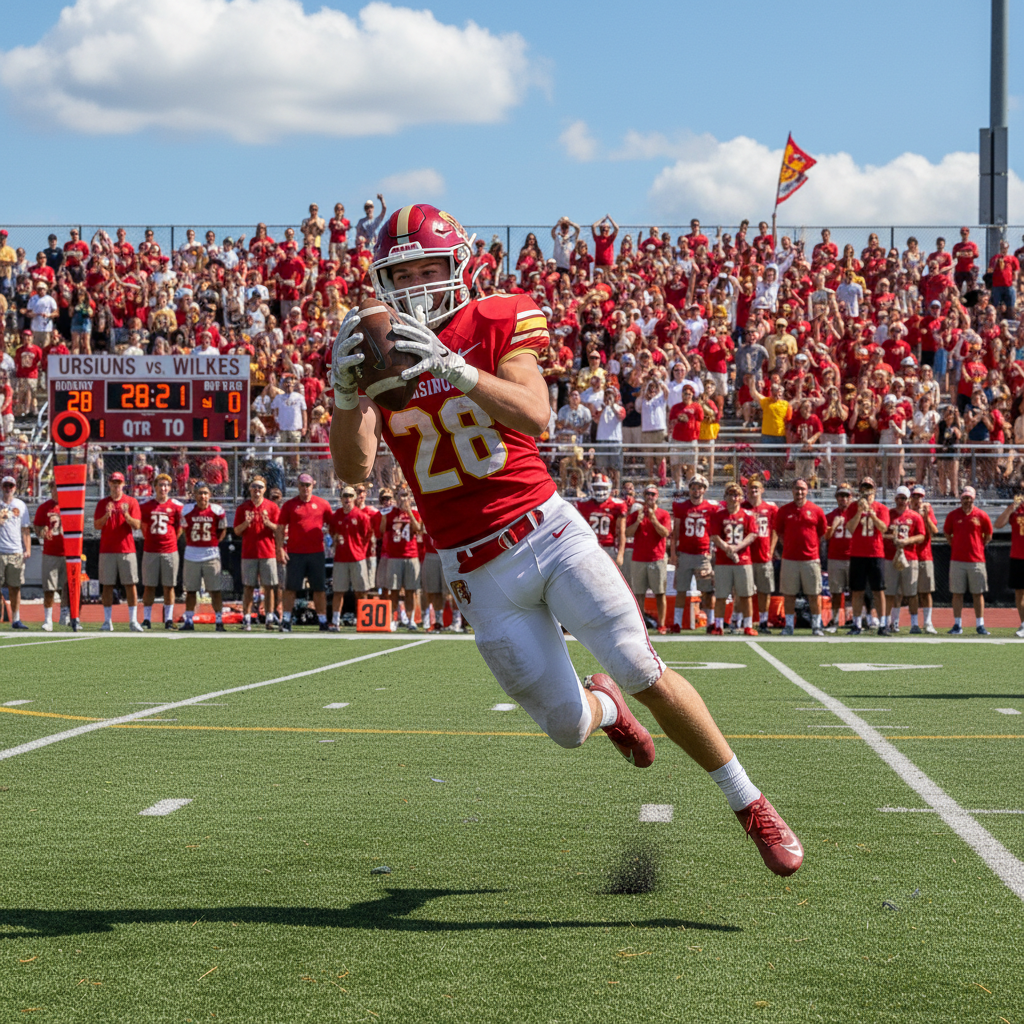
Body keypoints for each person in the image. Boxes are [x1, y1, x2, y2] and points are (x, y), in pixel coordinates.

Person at [329, 201, 803, 876]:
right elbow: (351, 469)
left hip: (548, 533)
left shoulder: (494, 318)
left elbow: (535, 413)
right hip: (474, 570)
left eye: (430, 267)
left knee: (640, 663)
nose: (418, 286)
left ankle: (749, 802)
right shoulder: (373, 347)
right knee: (567, 728)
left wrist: (453, 366)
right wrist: (347, 397)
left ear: (460, 266)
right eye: (402, 275)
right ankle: (606, 708)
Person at [276, 472, 332, 631]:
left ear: (313, 485)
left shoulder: (322, 504)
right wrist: (280, 548)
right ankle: (286, 620)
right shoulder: (289, 505)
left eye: (308, 485)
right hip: (295, 553)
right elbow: (280, 529)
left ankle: (322, 620)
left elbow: (333, 524)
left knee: (319, 588)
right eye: (302, 485)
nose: (305, 488)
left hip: (316, 553)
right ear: (298, 486)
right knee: (291, 587)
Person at [774, 479, 828, 636]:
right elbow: (779, 532)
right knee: (789, 594)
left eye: (803, 489)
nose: (799, 492)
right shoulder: (784, 511)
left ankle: (817, 626)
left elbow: (821, 532)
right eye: (797, 489)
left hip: (811, 559)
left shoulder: (816, 510)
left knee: (814, 594)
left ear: (808, 491)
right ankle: (789, 625)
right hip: (790, 559)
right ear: (792, 490)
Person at [94, 471, 143, 632]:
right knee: (107, 585)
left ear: (123, 485)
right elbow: (97, 525)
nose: (116, 486)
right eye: (114, 482)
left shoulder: (131, 502)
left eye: (119, 483)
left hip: (126, 549)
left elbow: (137, 525)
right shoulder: (103, 503)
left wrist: (126, 515)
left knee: (130, 584)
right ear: (109, 484)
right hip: (107, 549)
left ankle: (133, 620)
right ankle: (107, 621)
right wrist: (107, 516)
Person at [708, 483, 759, 637]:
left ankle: (748, 625)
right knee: (721, 596)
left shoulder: (747, 515)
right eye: (730, 494)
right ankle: (718, 625)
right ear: (725, 497)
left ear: (741, 498)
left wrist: (736, 548)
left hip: (743, 560)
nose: (733, 497)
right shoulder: (719, 515)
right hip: (724, 561)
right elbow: (715, 536)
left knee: (745, 595)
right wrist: (727, 548)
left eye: (736, 495)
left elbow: (752, 535)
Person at [843, 477, 891, 636]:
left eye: (869, 488)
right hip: (857, 553)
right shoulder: (852, 507)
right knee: (857, 591)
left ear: (874, 490)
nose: (866, 492)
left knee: (879, 590)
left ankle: (883, 624)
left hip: (875, 553)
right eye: (864, 488)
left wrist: (872, 514)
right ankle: (857, 624)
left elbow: (884, 528)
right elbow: (849, 528)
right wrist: (859, 511)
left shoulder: (881, 508)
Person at [177, 483, 227, 631]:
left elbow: (222, 530)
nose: (203, 496)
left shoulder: (217, 510)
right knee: (191, 590)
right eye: (200, 493)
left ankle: (219, 620)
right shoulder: (187, 510)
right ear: (194, 495)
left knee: (215, 590)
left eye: (205, 493)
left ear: (210, 495)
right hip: (192, 554)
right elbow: (183, 530)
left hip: (211, 554)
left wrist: (214, 543)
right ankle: (189, 620)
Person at [232, 475, 280, 631]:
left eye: (260, 487)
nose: (257, 490)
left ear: (265, 489)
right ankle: (247, 617)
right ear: (250, 489)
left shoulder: (272, 507)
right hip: (249, 552)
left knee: (269, 586)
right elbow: (236, 531)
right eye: (254, 487)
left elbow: (280, 530)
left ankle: (269, 617)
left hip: (267, 552)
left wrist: (269, 524)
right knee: (248, 586)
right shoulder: (243, 508)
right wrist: (247, 523)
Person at [943, 486, 992, 636]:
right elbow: (947, 532)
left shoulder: (981, 515)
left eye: (969, 498)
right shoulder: (953, 515)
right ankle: (957, 624)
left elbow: (988, 535)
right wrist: (956, 545)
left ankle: (980, 625)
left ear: (973, 499)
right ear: (960, 499)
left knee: (978, 593)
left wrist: (978, 546)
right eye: (964, 498)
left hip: (977, 560)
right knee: (957, 593)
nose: (966, 501)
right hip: (957, 560)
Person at [670, 475, 717, 629]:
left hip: (703, 554)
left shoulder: (711, 508)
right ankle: (677, 623)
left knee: (707, 590)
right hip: (684, 554)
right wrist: (673, 554)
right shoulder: (681, 507)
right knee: (681, 590)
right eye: (693, 487)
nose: (696, 490)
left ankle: (711, 623)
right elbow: (675, 532)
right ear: (689, 489)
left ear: (704, 490)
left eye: (699, 487)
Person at [138, 473, 183, 630]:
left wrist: (170, 541)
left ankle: (169, 619)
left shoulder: (176, 505)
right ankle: (147, 619)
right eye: (161, 485)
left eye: (166, 485)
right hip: (150, 549)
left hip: (169, 550)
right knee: (149, 586)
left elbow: (179, 529)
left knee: (169, 586)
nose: (163, 488)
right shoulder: (146, 505)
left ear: (170, 488)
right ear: (155, 487)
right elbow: (144, 527)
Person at [626, 484, 672, 634]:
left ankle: (662, 624)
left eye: (653, 494)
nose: (650, 497)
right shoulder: (637, 514)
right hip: (639, 558)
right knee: (639, 593)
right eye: (647, 494)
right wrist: (637, 522)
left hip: (657, 558)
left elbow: (665, 533)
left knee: (660, 593)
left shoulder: (663, 514)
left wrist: (653, 519)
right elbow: (627, 533)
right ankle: (640, 625)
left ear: (657, 496)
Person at [380, 486, 425, 631]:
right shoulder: (390, 513)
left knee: (411, 590)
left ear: (410, 497)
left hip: (411, 555)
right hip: (394, 556)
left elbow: (418, 529)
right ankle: (395, 619)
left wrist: (409, 512)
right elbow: (382, 531)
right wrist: (384, 515)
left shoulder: (415, 513)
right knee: (393, 590)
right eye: (400, 495)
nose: (403, 498)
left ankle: (411, 619)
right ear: (396, 497)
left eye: (405, 495)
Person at [329, 485, 373, 630]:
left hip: (357, 558)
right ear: (341, 498)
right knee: (338, 590)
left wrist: (360, 549)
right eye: (345, 496)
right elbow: (332, 533)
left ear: (354, 498)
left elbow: (367, 535)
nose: (347, 499)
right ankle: (335, 621)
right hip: (341, 558)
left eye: (350, 496)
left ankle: (363, 619)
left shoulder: (361, 516)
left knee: (361, 590)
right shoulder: (337, 515)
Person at [882, 486, 925, 634]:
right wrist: (892, 538)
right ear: (895, 499)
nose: (901, 501)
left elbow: (921, 536)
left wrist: (906, 541)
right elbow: (880, 533)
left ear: (908, 500)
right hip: (890, 557)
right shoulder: (888, 514)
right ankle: (887, 622)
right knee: (890, 593)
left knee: (911, 593)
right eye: (899, 498)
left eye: (904, 498)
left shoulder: (915, 516)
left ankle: (914, 624)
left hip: (910, 557)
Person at [742, 475, 778, 634]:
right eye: (751, 488)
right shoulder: (742, 507)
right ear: (747, 490)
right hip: (746, 556)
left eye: (757, 487)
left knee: (765, 590)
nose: (754, 490)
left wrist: (771, 550)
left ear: (762, 490)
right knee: (744, 591)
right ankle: (745, 621)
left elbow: (775, 530)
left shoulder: (770, 508)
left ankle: (763, 621)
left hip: (763, 555)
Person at [33, 479, 67, 631]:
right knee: (49, 588)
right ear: (51, 489)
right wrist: (42, 532)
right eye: (54, 488)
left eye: (59, 488)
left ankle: (65, 614)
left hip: (67, 552)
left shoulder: (69, 507)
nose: (56, 491)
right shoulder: (44, 507)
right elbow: (37, 527)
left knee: (66, 587)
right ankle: (48, 619)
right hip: (50, 552)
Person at [0, 475, 31, 630]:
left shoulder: (20, 505)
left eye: (10, 486)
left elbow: (25, 529)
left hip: (15, 552)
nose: (8, 489)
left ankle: (16, 619)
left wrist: (28, 549)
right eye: (5, 485)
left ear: (14, 488)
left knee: (15, 587)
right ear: (1, 487)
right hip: (0, 551)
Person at [908, 485, 939, 634]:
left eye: (920, 497)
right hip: (909, 555)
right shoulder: (907, 511)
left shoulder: (927, 509)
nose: (918, 500)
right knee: (911, 592)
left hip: (925, 555)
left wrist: (925, 517)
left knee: (926, 592)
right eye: (915, 496)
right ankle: (914, 623)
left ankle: (927, 622)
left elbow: (934, 531)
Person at [576, 474, 626, 566]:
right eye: (597, 488)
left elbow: (621, 532)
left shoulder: (617, 505)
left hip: (608, 547)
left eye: (603, 487)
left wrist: (620, 554)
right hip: (589, 547)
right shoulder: (583, 504)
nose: (600, 491)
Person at [994, 489, 1024, 638]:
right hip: (1018, 556)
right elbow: (998, 524)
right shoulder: (1016, 510)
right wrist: (1011, 507)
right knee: (1019, 593)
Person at [823, 485, 853, 631]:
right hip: (835, 557)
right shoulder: (830, 516)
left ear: (851, 497)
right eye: (841, 496)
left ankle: (853, 619)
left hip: (853, 556)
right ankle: (835, 620)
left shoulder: (855, 514)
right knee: (836, 592)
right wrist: (833, 526)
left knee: (855, 592)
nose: (844, 499)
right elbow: (826, 537)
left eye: (846, 496)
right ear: (836, 498)